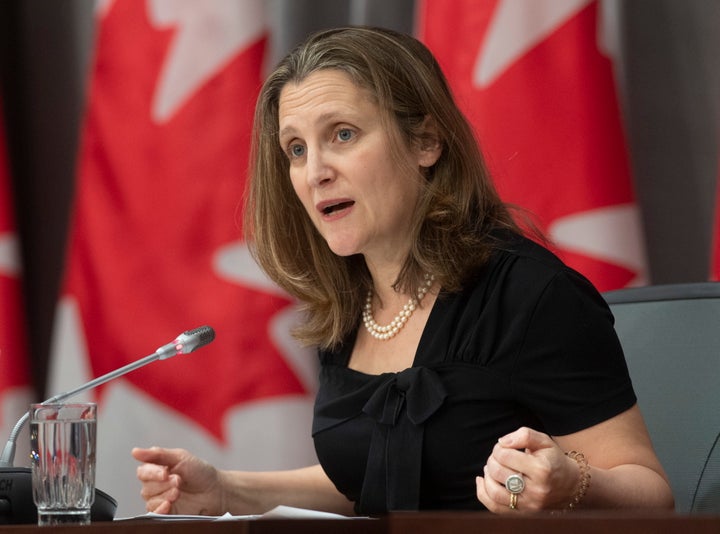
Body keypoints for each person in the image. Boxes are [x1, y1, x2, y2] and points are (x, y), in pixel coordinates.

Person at [132, 26, 674, 516]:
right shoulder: (349, 304)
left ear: (426, 142)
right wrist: (229, 490)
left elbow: (652, 495)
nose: (315, 171)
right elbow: (374, 475)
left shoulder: (532, 295)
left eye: (342, 134)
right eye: (296, 149)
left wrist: (572, 483)